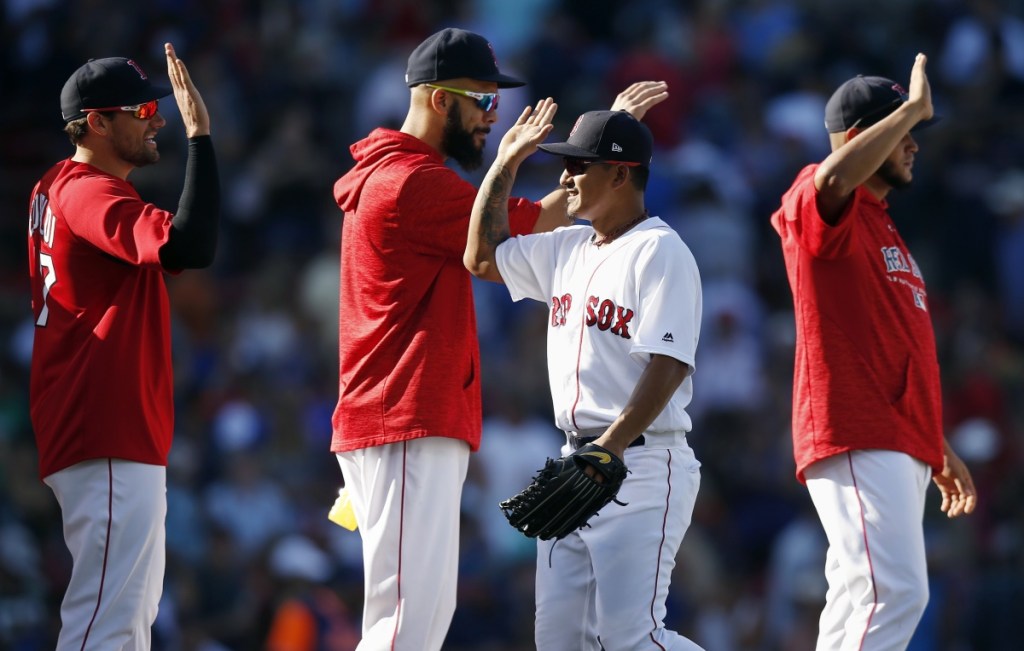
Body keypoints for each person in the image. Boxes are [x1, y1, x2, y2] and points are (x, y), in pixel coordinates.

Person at [330, 26, 667, 650]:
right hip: (405, 416)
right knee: (406, 624)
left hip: (398, 418)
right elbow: (534, 224)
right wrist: (602, 141)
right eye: (483, 101)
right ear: (439, 101)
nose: (495, 116)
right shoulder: (412, 181)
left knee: (414, 618)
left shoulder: (402, 174)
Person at [465, 105, 705, 649]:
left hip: (640, 461)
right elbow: (479, 258)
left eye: (580, 165)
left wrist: (611, 447)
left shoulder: (661, 251)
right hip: (580, 459)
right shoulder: (567, 246)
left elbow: (670, 363)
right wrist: (504, 164)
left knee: (631, 639)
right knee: (561, 642)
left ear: (621, 174)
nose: (565, 177)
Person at [769, 53, 977, 650]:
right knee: (895, 591)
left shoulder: (882, 223)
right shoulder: (820, 195)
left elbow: (889, 350)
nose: (913, 143)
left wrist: (934, 440)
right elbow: (833, 180)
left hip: (894, 434)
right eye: (904, 129)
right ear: (863, 138)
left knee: (859, 599)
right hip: (855, 429)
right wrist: (908, 106)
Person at [27, 43, 218, 650]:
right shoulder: (86, 190)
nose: (156, 116)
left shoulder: (59, 186)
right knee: (107, 624)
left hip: (103, 425)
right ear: (96, 123)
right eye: (140, 108)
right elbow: (189, 246)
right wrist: (201, 139)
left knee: (125, 619)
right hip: (104, 422)